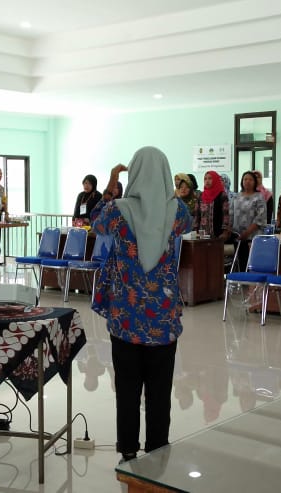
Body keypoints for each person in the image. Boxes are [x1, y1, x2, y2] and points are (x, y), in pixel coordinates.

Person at [89, 146, 191, 464]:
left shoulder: (117, 210)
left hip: (126, 316)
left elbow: (95, 222)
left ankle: (129, 450)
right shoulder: (178, 212)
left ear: (133, 173)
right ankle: (158, 449)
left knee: (128, 389)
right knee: (160, 391)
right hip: (162, 316)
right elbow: (185, 228)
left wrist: (111, 185)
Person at [230, 171, 268, 270]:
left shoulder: (259, 197)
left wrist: (247, 233)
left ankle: (253, 285)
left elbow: (260, 217)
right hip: (238, 236)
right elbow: (230, 214)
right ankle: (242, 284)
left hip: (253, 236)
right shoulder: (236, 196)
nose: (247, 181)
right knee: (240, 263)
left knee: (252, 263)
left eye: (250, 179)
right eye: (245, 179)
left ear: (255, 182)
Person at [196, 170, 232, 242]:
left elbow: (226, 215)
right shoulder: (201, 195)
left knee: (215, 252)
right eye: (205, 179)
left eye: (210, 178)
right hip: (202, 233)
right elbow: (197, 214)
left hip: (218, 233)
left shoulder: (222, 195)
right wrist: (195, 230)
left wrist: (225, 232)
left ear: (215, 180)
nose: (207, 181)